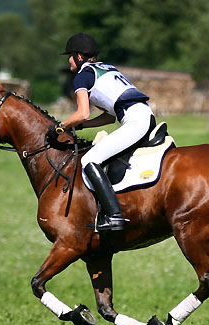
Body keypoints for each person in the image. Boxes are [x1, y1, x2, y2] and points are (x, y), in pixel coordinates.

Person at [58, 33, 155, 231]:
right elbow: (109, 117)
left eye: (70, 55)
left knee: (88, 160)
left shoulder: (82, 76)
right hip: (144, 115)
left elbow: (82, 113)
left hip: (135, 121)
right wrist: (80, 127)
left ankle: (114, 216)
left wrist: (61, 127)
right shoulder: (107, 68)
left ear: (78, 56)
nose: (68, 60)